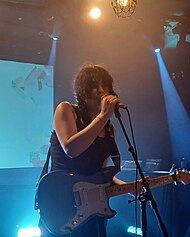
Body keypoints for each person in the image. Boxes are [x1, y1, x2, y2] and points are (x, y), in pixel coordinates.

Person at [38, 64, 126, 237]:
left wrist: (134, 187)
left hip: (91, 210)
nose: (101, 90)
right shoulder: (67, 110)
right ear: (82, 89)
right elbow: (71, 149)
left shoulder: (109, 129)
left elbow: (99, 175)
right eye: (94, 85)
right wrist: (102, 116)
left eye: (105, 85)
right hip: (60, 201)